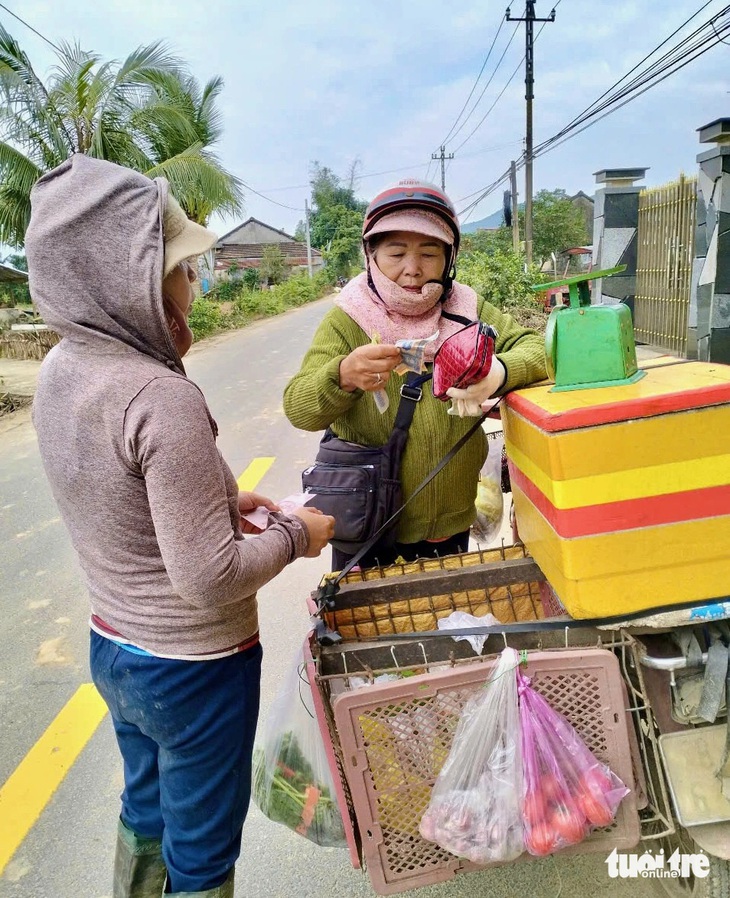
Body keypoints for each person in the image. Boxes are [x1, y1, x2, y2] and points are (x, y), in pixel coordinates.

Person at [27, 154, 334, 898]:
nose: (195, 284)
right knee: (201, 850)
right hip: (194, 669)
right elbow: (209, 577)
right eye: (183, 269)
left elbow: (114, 493)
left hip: (117, 651)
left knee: (147, 811)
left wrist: (223, 506)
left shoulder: (62, 370)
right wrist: (300, 535)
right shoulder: (158, 395)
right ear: (125, 279)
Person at [283, 179, 546, 571]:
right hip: (369, 525)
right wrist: (342, 374)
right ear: (370, 256)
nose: (413, 269)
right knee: (371, 629)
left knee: (445, 622)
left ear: (448, 258)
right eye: (396, 253)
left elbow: (539, 350)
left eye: (429, 252)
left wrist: (499, 370)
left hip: (449, 526)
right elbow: (299, 407)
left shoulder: (467, 308)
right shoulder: (348, 319)